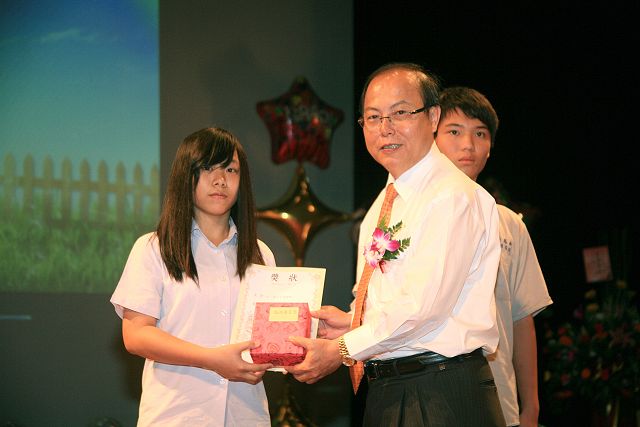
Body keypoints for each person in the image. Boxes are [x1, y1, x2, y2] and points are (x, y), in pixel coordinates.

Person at [286, 62, 506, 426]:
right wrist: (353, 323)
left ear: (433, 117)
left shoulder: (451, 195)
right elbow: (397, 298)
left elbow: (422, 309)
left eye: (400, 113)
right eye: (373, 117)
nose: (385, 128)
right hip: (392, 390)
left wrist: (342, 349)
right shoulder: (385, 201)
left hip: (440, 392)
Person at [110, 127, 276, 426]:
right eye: (208, 168)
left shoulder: (260, 253)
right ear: (186, 176)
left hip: (246, 415)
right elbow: (135, 335)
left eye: (231, 169)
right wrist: (211, 359)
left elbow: (270, 336)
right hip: (177, 415)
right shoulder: (154, 248)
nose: (220, 179)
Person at [435, 86, 553, 427]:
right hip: (429, 398)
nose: (468, 145)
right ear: (431, 138)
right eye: (454, 131)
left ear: (490, 147)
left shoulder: (509, 223)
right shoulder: (410, 215)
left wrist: (530, 407)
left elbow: (521, 317)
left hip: (500, 399)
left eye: (480, 134)